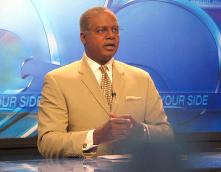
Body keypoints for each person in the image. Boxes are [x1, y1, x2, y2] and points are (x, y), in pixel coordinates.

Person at [37, 7, 173, 158]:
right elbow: (48, 143)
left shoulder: (142, 78)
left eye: (115, 30)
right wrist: (95, 137)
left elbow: (166, 134)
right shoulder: (58, 80)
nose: (111, 36)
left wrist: (142, 130)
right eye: (101, 30)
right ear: (83, 37)